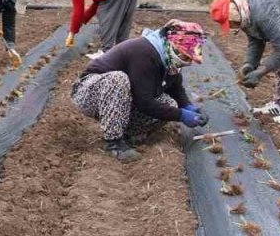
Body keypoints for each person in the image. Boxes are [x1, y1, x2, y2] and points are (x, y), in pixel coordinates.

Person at [70, 20, 209, 162]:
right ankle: (113, 143)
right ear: (173, 45)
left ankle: (128, 133)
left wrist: (188, 106)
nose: (186, 60)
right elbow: (144, 102)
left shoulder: (168, 58)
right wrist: (181, 115)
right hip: (89, 91)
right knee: (118, 79)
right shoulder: (144, 52)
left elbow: (175, 88)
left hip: (123, 98)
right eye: (185, 56)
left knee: (170, 103)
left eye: (188, 58)